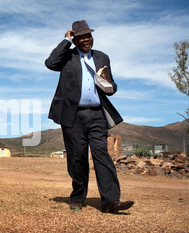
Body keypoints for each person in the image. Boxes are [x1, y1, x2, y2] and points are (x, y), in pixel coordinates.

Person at [45, 20, 134, 213]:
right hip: (73, 115)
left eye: (89, 35)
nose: (87, 39)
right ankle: (77, 197)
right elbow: (50, 63)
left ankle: (111, 201)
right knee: (77, 158)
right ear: (75, 38)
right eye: (82, 36)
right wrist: (65, 41)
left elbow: (111, 84)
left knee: (101, 154)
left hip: (96, 114)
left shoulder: (102, 57)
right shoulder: (66, 56)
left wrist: (110, 86)